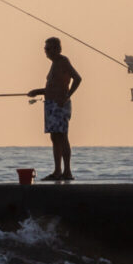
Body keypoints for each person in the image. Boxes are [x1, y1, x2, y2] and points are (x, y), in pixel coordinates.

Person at [28, 37, 82, 181]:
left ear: (57, 49)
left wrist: (67, 95)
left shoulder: (63, 61)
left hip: (59, 105)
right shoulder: (54, 64)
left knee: (62, 136)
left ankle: (67, 172)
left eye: (48, 48)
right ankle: (58, 171)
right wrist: (37, 91)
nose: (46, 51)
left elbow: (78, 78)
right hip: (51, 104)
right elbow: (51, 87)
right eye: (45, 48)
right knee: (54, 137)